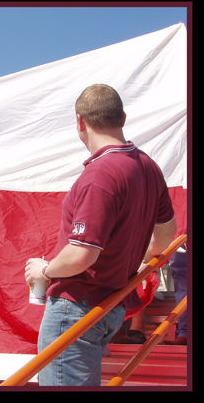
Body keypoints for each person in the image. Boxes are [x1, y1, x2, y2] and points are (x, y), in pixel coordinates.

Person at [24, 84, 177, 386]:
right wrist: (130, 255)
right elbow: (167, 236)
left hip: (76, 308)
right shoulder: (149, 168)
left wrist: (44, 269)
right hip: (110, 306)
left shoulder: (100, 174)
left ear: (80, 122)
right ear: (122, 118)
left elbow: (82, 254)